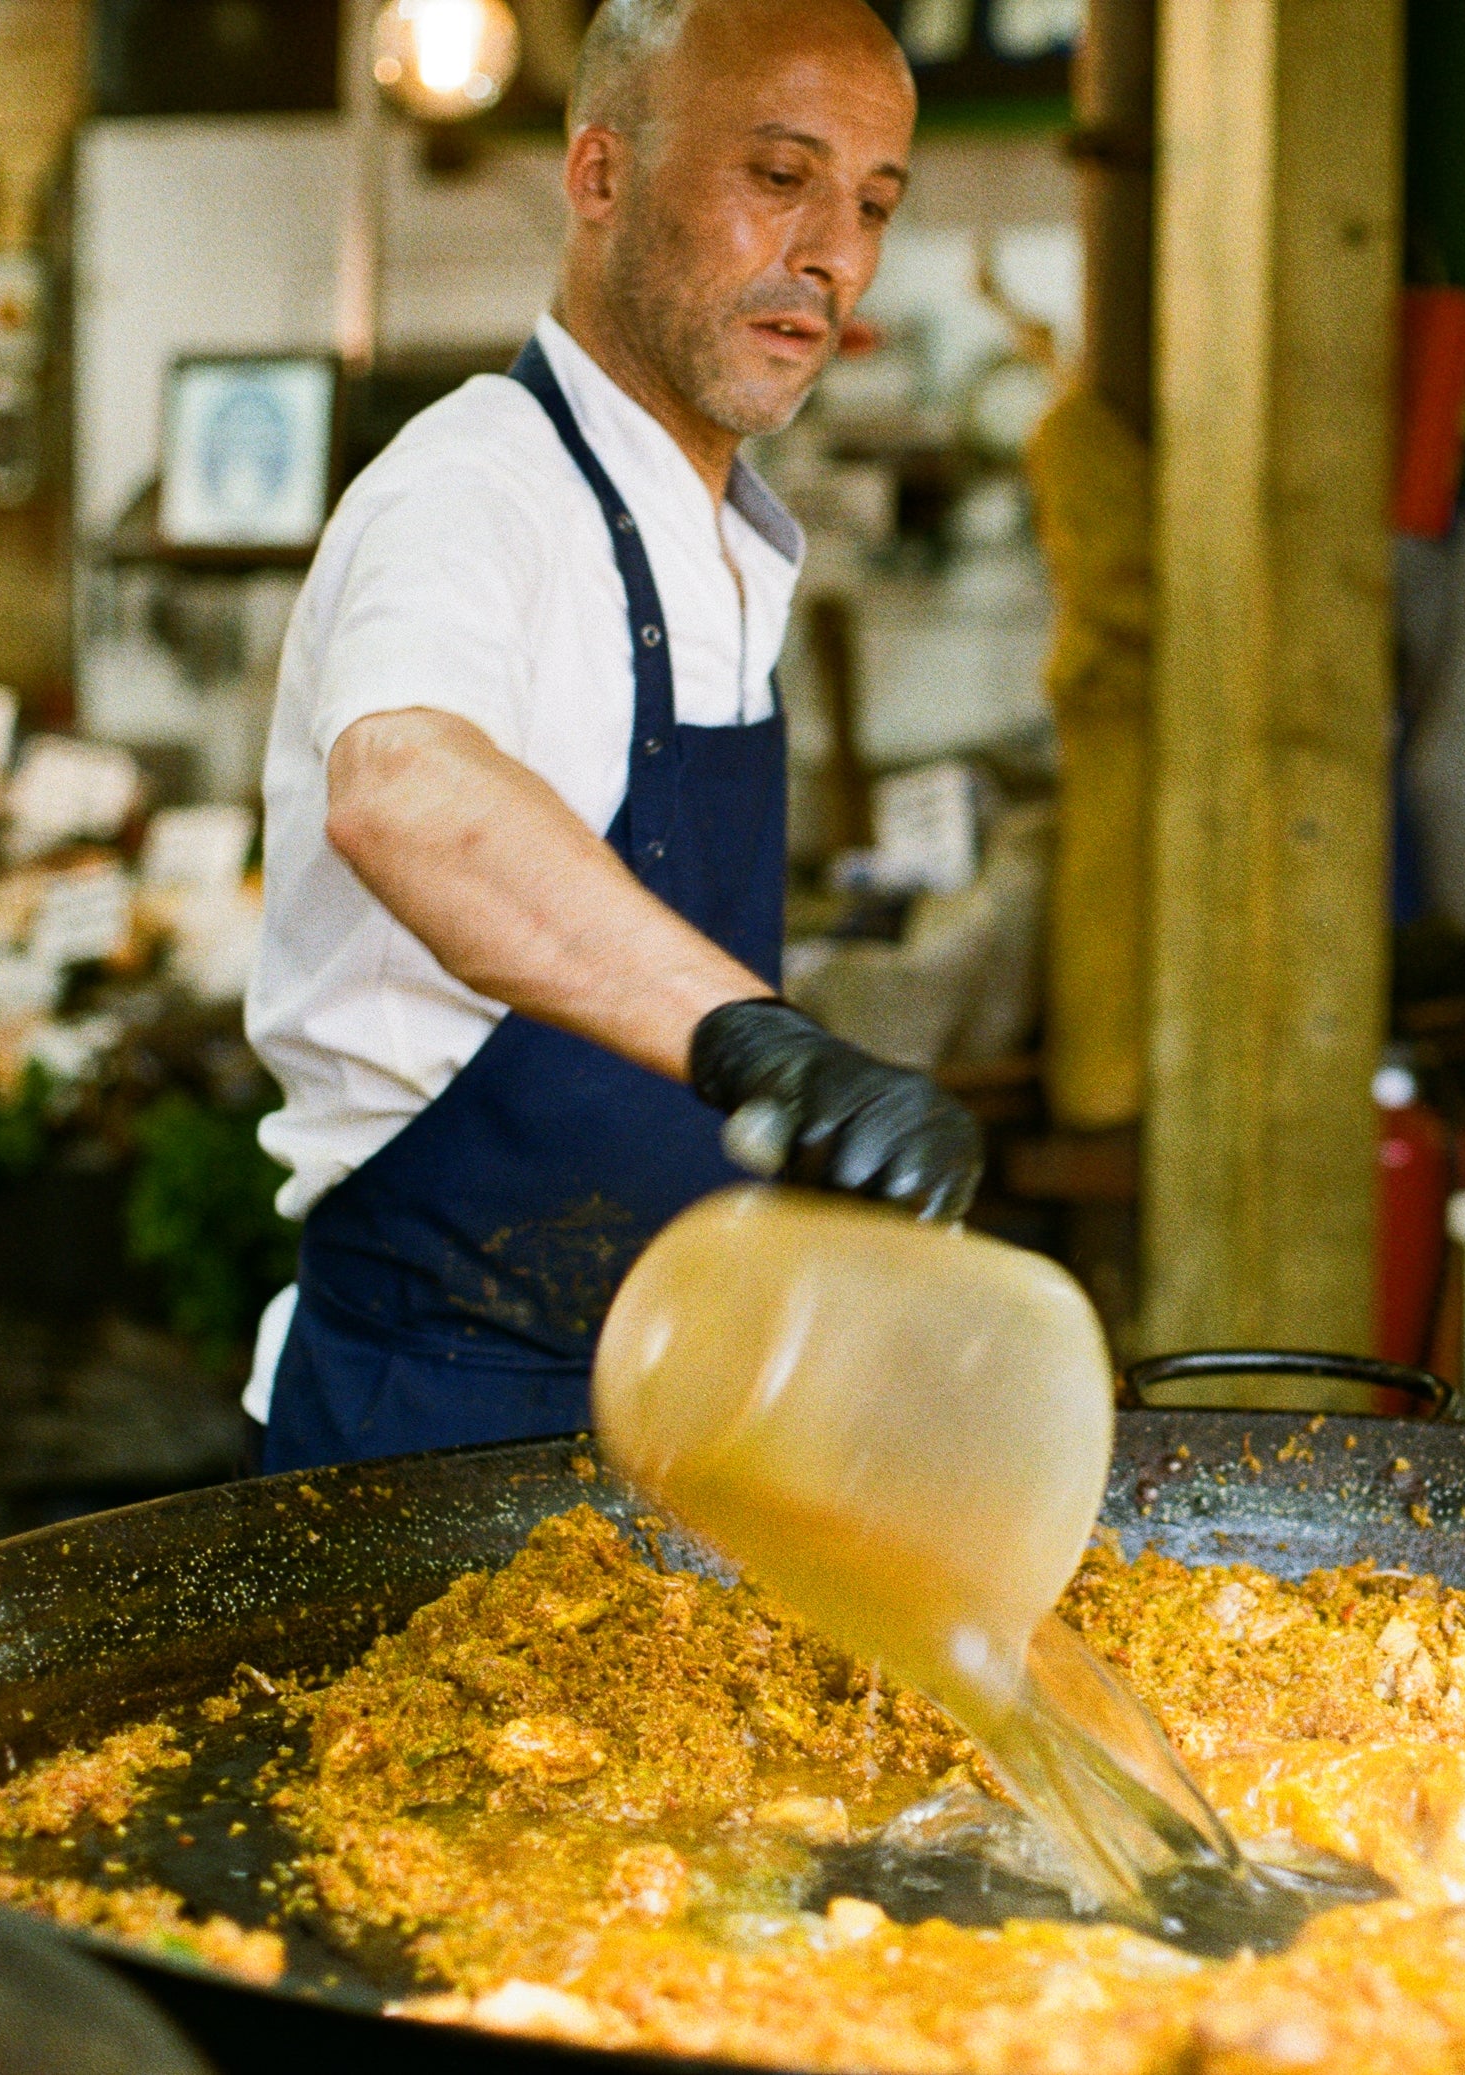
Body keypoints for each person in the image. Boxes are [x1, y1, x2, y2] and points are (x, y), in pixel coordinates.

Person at [245, 0, 979, 1471]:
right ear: (598, 174)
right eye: (778, 177)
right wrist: (766, 1049)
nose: (830, 252)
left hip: (655, 1407)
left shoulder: (722, 546)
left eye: (873, 204)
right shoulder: (474, 489)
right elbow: (404, 792)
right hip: (432, 1427)